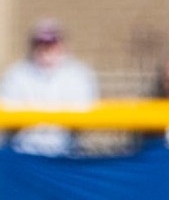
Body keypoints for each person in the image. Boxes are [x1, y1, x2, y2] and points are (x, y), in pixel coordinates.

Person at [1, 18, 99, 156]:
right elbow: (8, 112)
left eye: (51, 42)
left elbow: (85, 113)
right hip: (23, 153)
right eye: (41, 43)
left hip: (65, 152)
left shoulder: (78, 74)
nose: (46, 48)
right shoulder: (16, 75)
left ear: (62, 44)